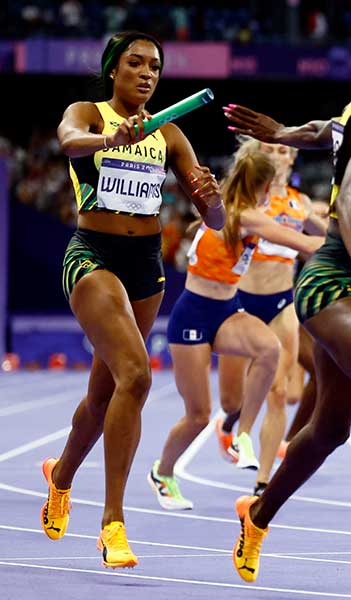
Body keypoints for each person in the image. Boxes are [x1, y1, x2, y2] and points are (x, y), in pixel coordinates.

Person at [223, 13, 351, 590]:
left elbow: (325, 131)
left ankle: (256, 518)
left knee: (332, 427)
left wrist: (282, 132)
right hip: (334, 277)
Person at [40, 31, 224, 569]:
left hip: (146, 268)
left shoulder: (168, 131)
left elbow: (213, 219)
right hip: (92, 257)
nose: (146, 74)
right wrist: (109, 141)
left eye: (155, 67)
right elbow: (69, 141)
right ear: (113, 70)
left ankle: (62, 476)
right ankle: (113, 523)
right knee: (138, 376)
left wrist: (212, 203)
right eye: (135, 63)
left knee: (104, 397)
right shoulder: (90, 113)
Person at [147, 145, 322, 510]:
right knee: (198, 413)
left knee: (268, 349)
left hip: (228, 310)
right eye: (266, 189)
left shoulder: (231, 206)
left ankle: (242, 433)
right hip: (193, 315)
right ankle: (163, 473)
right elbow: (303, 242)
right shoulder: (244, 216)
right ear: (258, 186)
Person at [214, 140, 326, 496]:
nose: (278, 155)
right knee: (233, 400)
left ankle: (263, 481)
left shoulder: (301, 202)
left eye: (284, 151)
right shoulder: (246, 201)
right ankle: (229, 422)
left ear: (292, 158)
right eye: (270, 151)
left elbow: (327, 233)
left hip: (282, 303)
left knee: (280, 393)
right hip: (239, 300)